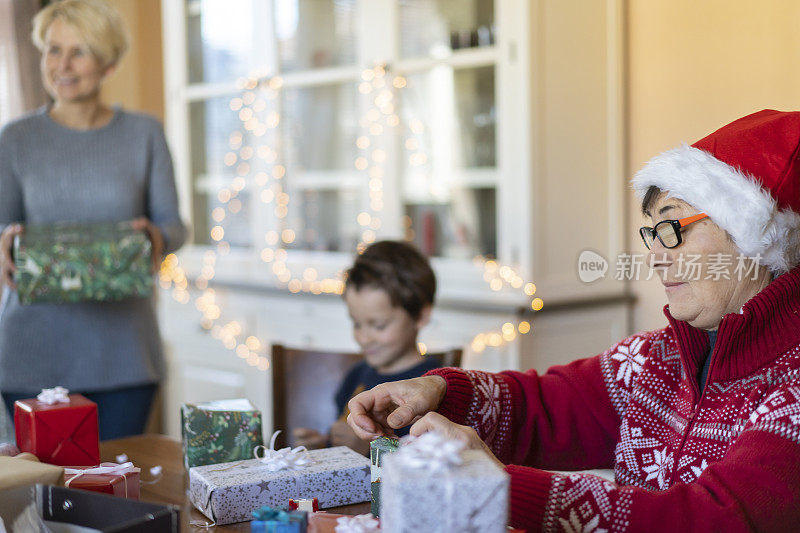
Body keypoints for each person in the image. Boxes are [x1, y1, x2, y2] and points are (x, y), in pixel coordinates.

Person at [347, 110, 800, 531]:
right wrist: (440, 391)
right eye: (653, 233)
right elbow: (544, 406)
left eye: (673, 228)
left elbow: (714, 519)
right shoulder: (654, 358)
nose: (656, 257)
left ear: (756, 239)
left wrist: (504, 488)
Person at [0, 0, 185, 440]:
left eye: (79, 51)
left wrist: (155, 237)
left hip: (124, 355)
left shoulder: (144, 133)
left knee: (118, 490)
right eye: (52, 49)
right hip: (31, 352)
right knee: (41, 495)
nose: (62, 65)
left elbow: (174, 225)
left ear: (108, 63)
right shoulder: (15, 139)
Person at [294, 240, 441, 455]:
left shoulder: (435, 386)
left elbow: (434, 462)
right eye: (357, 323)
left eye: (379, 325)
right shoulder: (356, 377)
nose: (364, 338)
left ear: (420, 316)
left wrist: (372, 448)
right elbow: (345, 440)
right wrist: (324, 444)